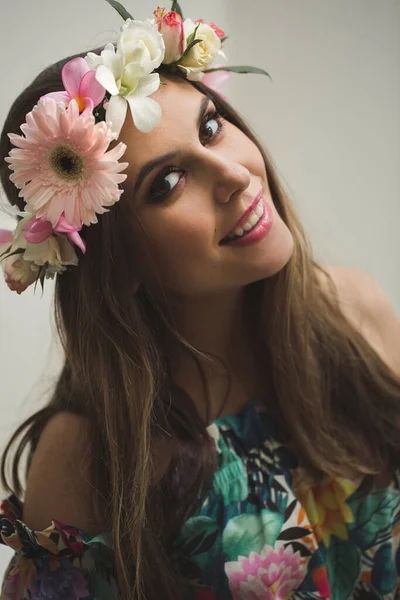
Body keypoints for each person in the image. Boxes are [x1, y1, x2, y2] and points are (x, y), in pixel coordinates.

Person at [0, 3, 400, 600]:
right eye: (167, 183)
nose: (235, 174)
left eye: (211, 126)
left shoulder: (352, 309)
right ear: (121, 264)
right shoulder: (86, 456)